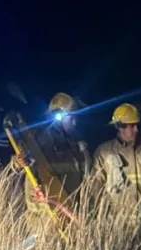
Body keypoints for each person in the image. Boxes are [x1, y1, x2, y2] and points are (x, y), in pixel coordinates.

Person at [10, 92, 91, 225]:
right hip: (43, 215)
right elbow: (19, 161)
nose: (75, 122)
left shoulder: (76, 143)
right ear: (58, 117)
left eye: (76, 117)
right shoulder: (36, 140)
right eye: (71, 118)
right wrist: (18, 163)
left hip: (69, 211)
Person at [92, 103, 141, 228]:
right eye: (131, 126)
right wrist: (102, 214)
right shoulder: (104, 152)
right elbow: (96, 185)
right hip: (117, 223)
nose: (136, 129)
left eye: (136, 125)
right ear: (120, 126)